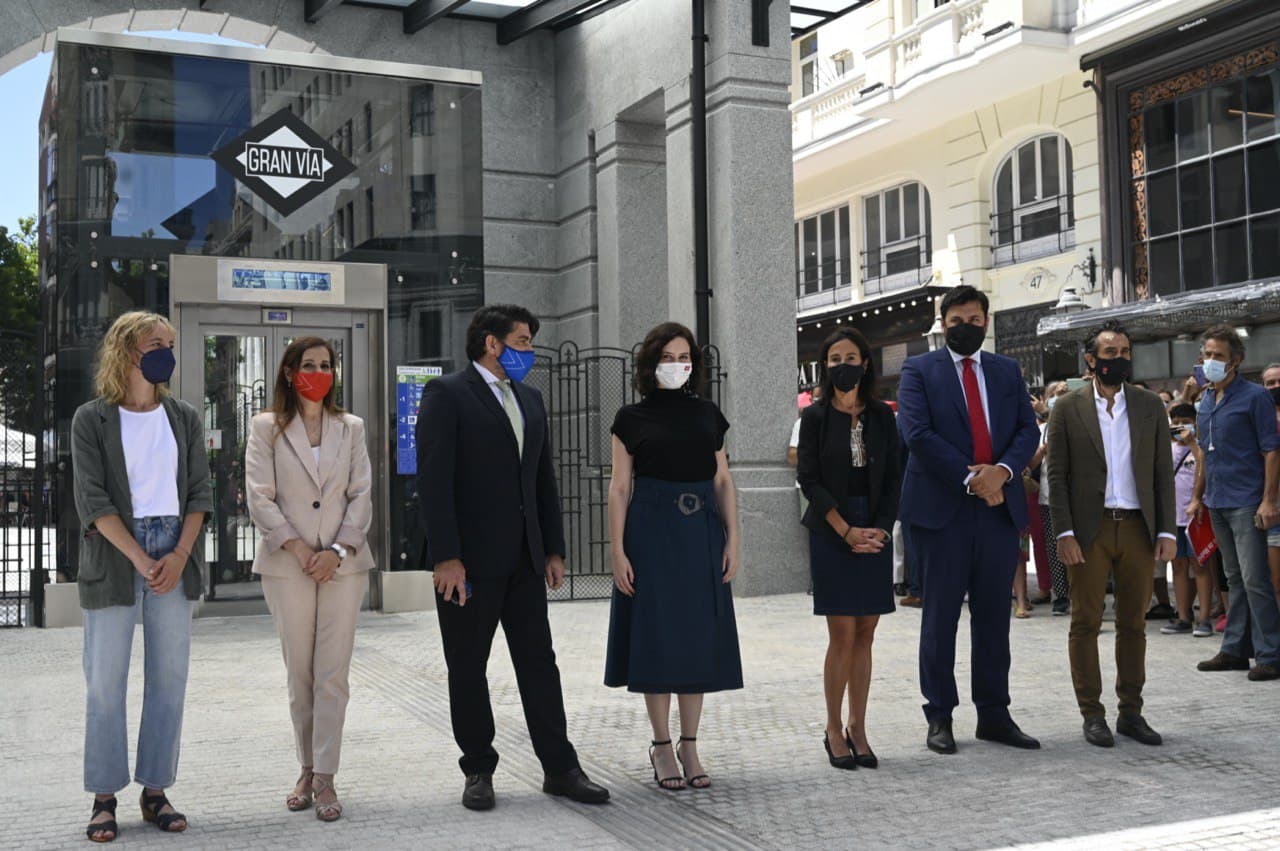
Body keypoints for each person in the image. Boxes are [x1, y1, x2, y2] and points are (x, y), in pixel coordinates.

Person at [415, 304, 610, 810]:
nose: (530, 351)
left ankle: (561, 768)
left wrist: (554, 548)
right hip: (469, 565)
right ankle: (478, 768)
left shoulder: (531, 399)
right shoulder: (446, 394)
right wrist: (446, 557)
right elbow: (434, 482)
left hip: (525, 561)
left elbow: (542, 479)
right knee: (467, 666)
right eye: (522, 341)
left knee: (539, 664)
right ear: (491, 343)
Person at [71, 311, 212, 843]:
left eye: (170, 343)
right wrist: (139, 556)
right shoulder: (91, 419)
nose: (166, 353)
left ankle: (155, 791)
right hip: (116, 555)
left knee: (169, 678)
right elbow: (92, 500)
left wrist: (178, 554)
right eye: (157, 344)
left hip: (174, 549)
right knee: (105, 682)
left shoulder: (184, 416)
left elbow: (199, 492)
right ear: (127, 349)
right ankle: (104, 797)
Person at [897, 285, 1042, 755]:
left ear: (986, 321)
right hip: (943, 512)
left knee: (995, 618)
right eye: (956, 320)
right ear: (944, 324)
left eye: (974, 320)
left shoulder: (1006, 370)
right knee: (940, 619)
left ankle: (994, 715)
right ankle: (939, 714)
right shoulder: (919, 370)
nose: (966, 327)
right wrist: (971, 478)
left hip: (998, 510)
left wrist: (1002, 472)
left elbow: (1027, 429)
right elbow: (917, 433)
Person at [605, 322, 742, 790]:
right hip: (650, 534)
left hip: (701, 533)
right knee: (657, 637)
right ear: (650, 363)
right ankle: (662, 745)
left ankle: (690, 744)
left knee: (696, 638)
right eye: (667, 357)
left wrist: (733, 539)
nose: (676, 365)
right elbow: (619, 487)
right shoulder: (630, 418)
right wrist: (617, 550)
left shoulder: (708, 414)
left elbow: (722, 480)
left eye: (684, 358)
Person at [244, 336, 374, 822]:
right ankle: (305, 767)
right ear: (289, 372)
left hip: (343, 566)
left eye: (326, 365)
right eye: (309, 365)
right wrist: (300, 549)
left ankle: (326, 776)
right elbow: (259, 496)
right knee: (300, 673)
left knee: (332, 674)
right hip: (288, 566)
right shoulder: (266, 427)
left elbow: (361, 494)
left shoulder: (351, 428)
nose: (318, 373)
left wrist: (336, 551)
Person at [1047, 320, 1176, 748]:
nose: (1119, 360)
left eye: (1124, 352)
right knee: (1085, 621)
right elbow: (1057, 475)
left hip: (1138, 526)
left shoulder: (1148, 406)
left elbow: (1162, 473)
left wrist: (1167, 530)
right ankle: (1092, 714)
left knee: (1133, 623)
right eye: (1110, 353)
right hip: (1090, 528)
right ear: (1091, 360)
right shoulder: (1067, 408)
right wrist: (1064, 531)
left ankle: (1131, 712)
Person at [797, 327, 899, 770]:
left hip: (873, 529)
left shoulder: (882, 416)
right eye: (835, 359)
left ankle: (859, 726)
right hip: (831, 529)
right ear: (826, 366)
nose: (843, 366)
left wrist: (879, 530)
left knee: (866, 632)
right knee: (841, 633)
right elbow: (809, 479)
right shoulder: (815, 417)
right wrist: (845, 531)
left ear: (865, 363)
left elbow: (894, 476)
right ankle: (834, 728)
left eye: (850, 358)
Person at [1191, 326, 1280, 681]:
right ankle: (1235, 650)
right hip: (1217, 501)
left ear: (1236, 360)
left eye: (1218, 356)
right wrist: (1197, 496)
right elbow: (1203, 454)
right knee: (1235, 579)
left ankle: (1271, 654)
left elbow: (1271, 450)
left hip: (1247, 500)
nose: (1210, 361)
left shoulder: (1256, 397)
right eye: (1207, 355)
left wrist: (1268, 500)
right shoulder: (1206, 401)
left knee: (1256, 579)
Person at [1160, 404, 1214, 637]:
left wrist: (1192, 443)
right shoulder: (1167, 448)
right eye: (1176, 422)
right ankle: (1183, 616)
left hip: (1196, 517)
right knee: (1178, 566)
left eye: (1186, 421)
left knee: (1199, 566)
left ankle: (1204, 619)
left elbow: (1204, 467)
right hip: (1173, 518)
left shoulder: (1201, 448)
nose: (1181, 426)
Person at [1264, 363, 1280, 605]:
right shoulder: (1258, 419)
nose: (1276, 387)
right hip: (1271, 508)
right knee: (1275, 582)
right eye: (1270, 383)